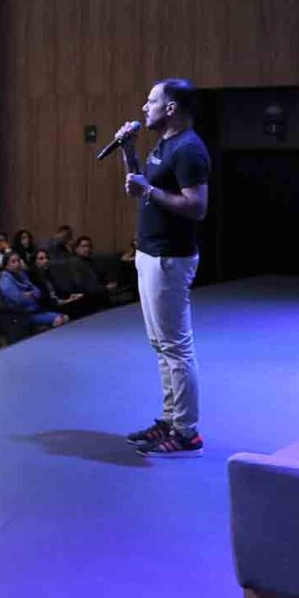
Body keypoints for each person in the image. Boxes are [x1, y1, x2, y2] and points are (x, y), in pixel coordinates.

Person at [118, 79, 210, 458]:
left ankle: (186, 431)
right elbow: (144, 185)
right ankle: (171, 420)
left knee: (175, 346)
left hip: (169, 258)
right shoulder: (165, 143)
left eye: (151, 100)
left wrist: (150, 191)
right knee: (161, 346)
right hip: (150, 253)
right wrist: (128, 152)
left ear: (171, 108)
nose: (144, 107)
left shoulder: (189, 149)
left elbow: (197, 206)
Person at [0, 251, 68, 340]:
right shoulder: (5, 281)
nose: (17, 263)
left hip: (35, 310)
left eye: (18, 260)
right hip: (22, 315)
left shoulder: (21, 275)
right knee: (59, 319)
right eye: (13, 261)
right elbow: (19, 300)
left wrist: (29, 294)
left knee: (65, 317)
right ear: (6, 265)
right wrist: (29, 296)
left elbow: (38, 292)